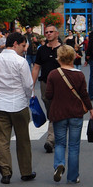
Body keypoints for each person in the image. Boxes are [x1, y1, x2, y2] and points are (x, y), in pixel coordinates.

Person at [0, 32, 35, 184]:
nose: (24, 49)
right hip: (19, 104)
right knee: (23, 140)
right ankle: (25, 172)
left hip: (0, 105)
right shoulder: (21, 61)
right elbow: (28, 85)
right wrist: (26, 97)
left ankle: (5, 172)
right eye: (23, 45)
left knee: (2, 141)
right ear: (15, 44)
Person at [45, 44, 93, 184]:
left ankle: (59, 165)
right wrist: (91, 111)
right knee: (74, 146)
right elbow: (84, 95)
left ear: (59, 57)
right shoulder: (79, 75)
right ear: (73, 57)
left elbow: (48, 95)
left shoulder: (53, 74)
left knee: (60, 143)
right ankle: (73, 176)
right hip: (75, 113)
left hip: (59, 113)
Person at [31, 24, 62, 153]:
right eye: (47, 32)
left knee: (56, 109)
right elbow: (36, 68)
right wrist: (31, 86)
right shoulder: (41, 50)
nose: (48, 34)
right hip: (45, 83)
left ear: (56, 33)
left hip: (60, 84)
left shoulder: (63, 49)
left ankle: (50, 139)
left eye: (51, 31)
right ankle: (58, 135)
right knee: (51, 110)